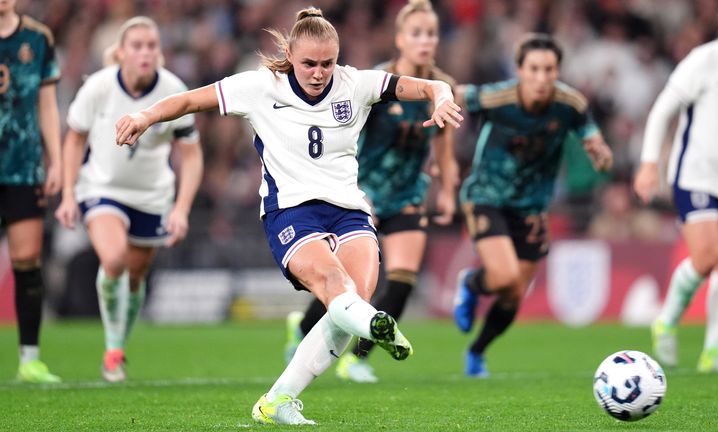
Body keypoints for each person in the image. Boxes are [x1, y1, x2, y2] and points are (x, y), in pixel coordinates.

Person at [114, 7, 462, 425]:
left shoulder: (356, 84)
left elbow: (431, 85)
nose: (318, 73)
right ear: (292, 58)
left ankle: (279, 399)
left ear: (338, 58)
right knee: (337, 288)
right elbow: (190, 99)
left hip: (349, 209)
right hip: (293, 211)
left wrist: (442, 97)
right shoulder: (261, 87)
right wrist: (145, 115)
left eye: (327, 63)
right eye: (309, 64)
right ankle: (380, 327)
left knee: (352, 303)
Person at [284, 0, 459, 384]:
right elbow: (347, 138)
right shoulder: (377, 82)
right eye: (416, 33)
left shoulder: (441, 87)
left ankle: (357, 359)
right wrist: (355, 192)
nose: (425, 41)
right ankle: (302, 330)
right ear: (399, 39)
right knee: (351, 282)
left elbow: (444, 147)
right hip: (366, 193)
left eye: (431, 33)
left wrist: (448, 189)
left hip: (410, 192)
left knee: (403, 279)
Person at [452, 33, 613, 378]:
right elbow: (456, 94)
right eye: (534, 69)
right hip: (487, 197)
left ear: (557, 71)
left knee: (513, 294)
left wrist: (601, 155)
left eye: (549, 69)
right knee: (505, 276)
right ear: (520, 70)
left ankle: (477, 352)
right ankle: (470, 284)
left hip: (532, 207)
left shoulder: (570, 105)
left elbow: (595, 141)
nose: (542, 78)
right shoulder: (498, 97)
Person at [55, 16, 203, 383]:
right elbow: (74, 137)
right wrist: (69, 194)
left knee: (136, 277)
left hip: (152, 197)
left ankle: (117, 347)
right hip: (102, 189)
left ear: (160, 53)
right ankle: (111, 349)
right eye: (137, 45)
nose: (145, 52)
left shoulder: (172, 89)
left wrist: (181, 209)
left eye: (151, 45)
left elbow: (191, 154)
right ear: (121, 52)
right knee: (115, 257)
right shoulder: (100, 87)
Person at [634, 0, 718, 373]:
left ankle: (715, 351)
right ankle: (666, 319)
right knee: (707, 257)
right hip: (695, 174)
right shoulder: (703, 61)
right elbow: (663, 110)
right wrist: (649, 165)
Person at [0, 0, 62, 383]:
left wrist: (55, 159)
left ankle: (30, 359)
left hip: (23, 169)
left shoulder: (38, 38)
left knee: (27, 261)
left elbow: (48, 106)